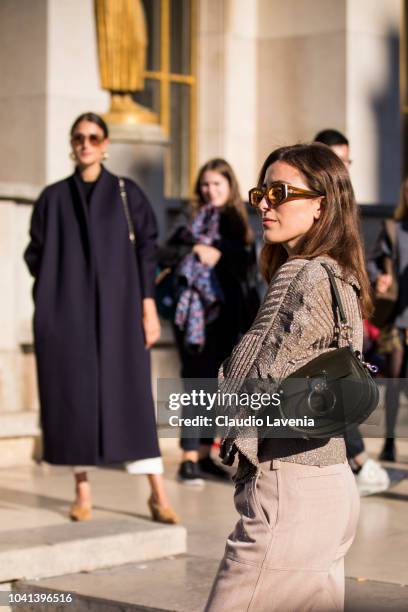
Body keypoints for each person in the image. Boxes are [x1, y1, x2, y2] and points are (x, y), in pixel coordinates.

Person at [205, 143, 369, 612]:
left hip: (289, 495)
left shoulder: (299, 274)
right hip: (334, 485)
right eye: (261, 192)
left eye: (280, 192)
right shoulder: (342, 277)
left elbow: (249, 382)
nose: (263, 203)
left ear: (321, 203)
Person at [24, 112, 178, 524]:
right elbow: (35, 254)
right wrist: (55, 294)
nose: (86, 144)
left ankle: (158, 494)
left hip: (121, 313)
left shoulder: (128, 194)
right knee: (72, 398)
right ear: (72, 145)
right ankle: (82, 491)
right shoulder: (53, 198)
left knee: (132, 400)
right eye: (79, 138)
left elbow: (148, 250)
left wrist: (147, 305)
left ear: (106, 144)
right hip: (67, 316)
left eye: (93, 137)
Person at [160, 158, 260, 485]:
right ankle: (188, 456)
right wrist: (197, 249)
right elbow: (166, 254)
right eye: (205, 184)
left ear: (229, 186)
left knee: (215, 384)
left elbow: (248, 265)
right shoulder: (191, 218)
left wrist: (220, 252)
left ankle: (203, 454)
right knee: (194, 381)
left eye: (217, 183)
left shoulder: (239, 221)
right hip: (191, 316)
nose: (210, 190)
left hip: (225, 315)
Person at [314, 128, 390, 495]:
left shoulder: (347, 204)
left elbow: (357, 259)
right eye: (334, 159)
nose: (342, 167)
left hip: (343, 312)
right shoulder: (310, 205)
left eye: (346, 161)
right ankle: (355, 459)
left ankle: (355, 459)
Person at [368, 176, 408, 462]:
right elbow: (372, 262)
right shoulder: (393, 229)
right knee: (393, 381)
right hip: (397, 317)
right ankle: (390, 441)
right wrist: (378, 277)